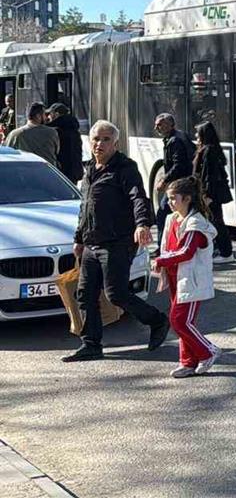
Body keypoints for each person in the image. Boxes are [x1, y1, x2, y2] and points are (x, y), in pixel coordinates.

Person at [62, 120, 169, 363]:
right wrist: (78, 239)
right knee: (85, 294)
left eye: (106, 139)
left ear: (115, 143)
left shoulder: (125, 168)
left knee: (116, 294)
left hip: (117, 242)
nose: (99, 144)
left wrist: (142, 224)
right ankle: (91, 344)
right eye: (96, 139)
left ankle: (157, 320)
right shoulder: (89, 169)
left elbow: (138, 198)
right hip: (91, 243)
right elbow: (85, 208)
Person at [152, 177, 221, 378]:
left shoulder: (196, 223)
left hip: (191, 280)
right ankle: (188, 362)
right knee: (182, 322)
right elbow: (168, 246)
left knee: (179, 321)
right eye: (168, 198)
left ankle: (208, 351)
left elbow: (186, 252)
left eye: (174, 198)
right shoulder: (172, 219)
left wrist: (161, 260)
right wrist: (164, 262)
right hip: (175, 277)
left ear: (187, 199)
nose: (170, 202)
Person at [193, 121, 235, 264]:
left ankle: (226, 252)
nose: (196, 136)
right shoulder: (210, 149)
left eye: (198, 133)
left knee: (216, 222)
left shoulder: (208, 151)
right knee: (214, 221)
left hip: (211, 194)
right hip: (211, 193)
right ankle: (219, 249)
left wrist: (207, 195)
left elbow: (208, 176)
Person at [153, 113, 196, 238]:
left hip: (180, 184)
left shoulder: (175, 140)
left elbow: (179, 165)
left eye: (159, 125)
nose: (156, 128)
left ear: (169, 125)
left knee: (162, 214)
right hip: (184, 183)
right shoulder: (177, 137)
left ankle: (163, 246)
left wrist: (164, 180)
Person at [3, 101, 59, 166]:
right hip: (48, 170)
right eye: (45, 114)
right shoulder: (52, 132)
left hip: (24, 170)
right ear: (38, 116)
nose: (47, 117)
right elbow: (57, 151)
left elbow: (6, 153)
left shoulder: (15, 134)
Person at [48, 103, 84, 184]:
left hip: (61, 171)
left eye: (50, 114)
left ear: (56, 114)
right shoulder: (74, 129)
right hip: (75, 170)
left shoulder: (55, 131)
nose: (49, 117)